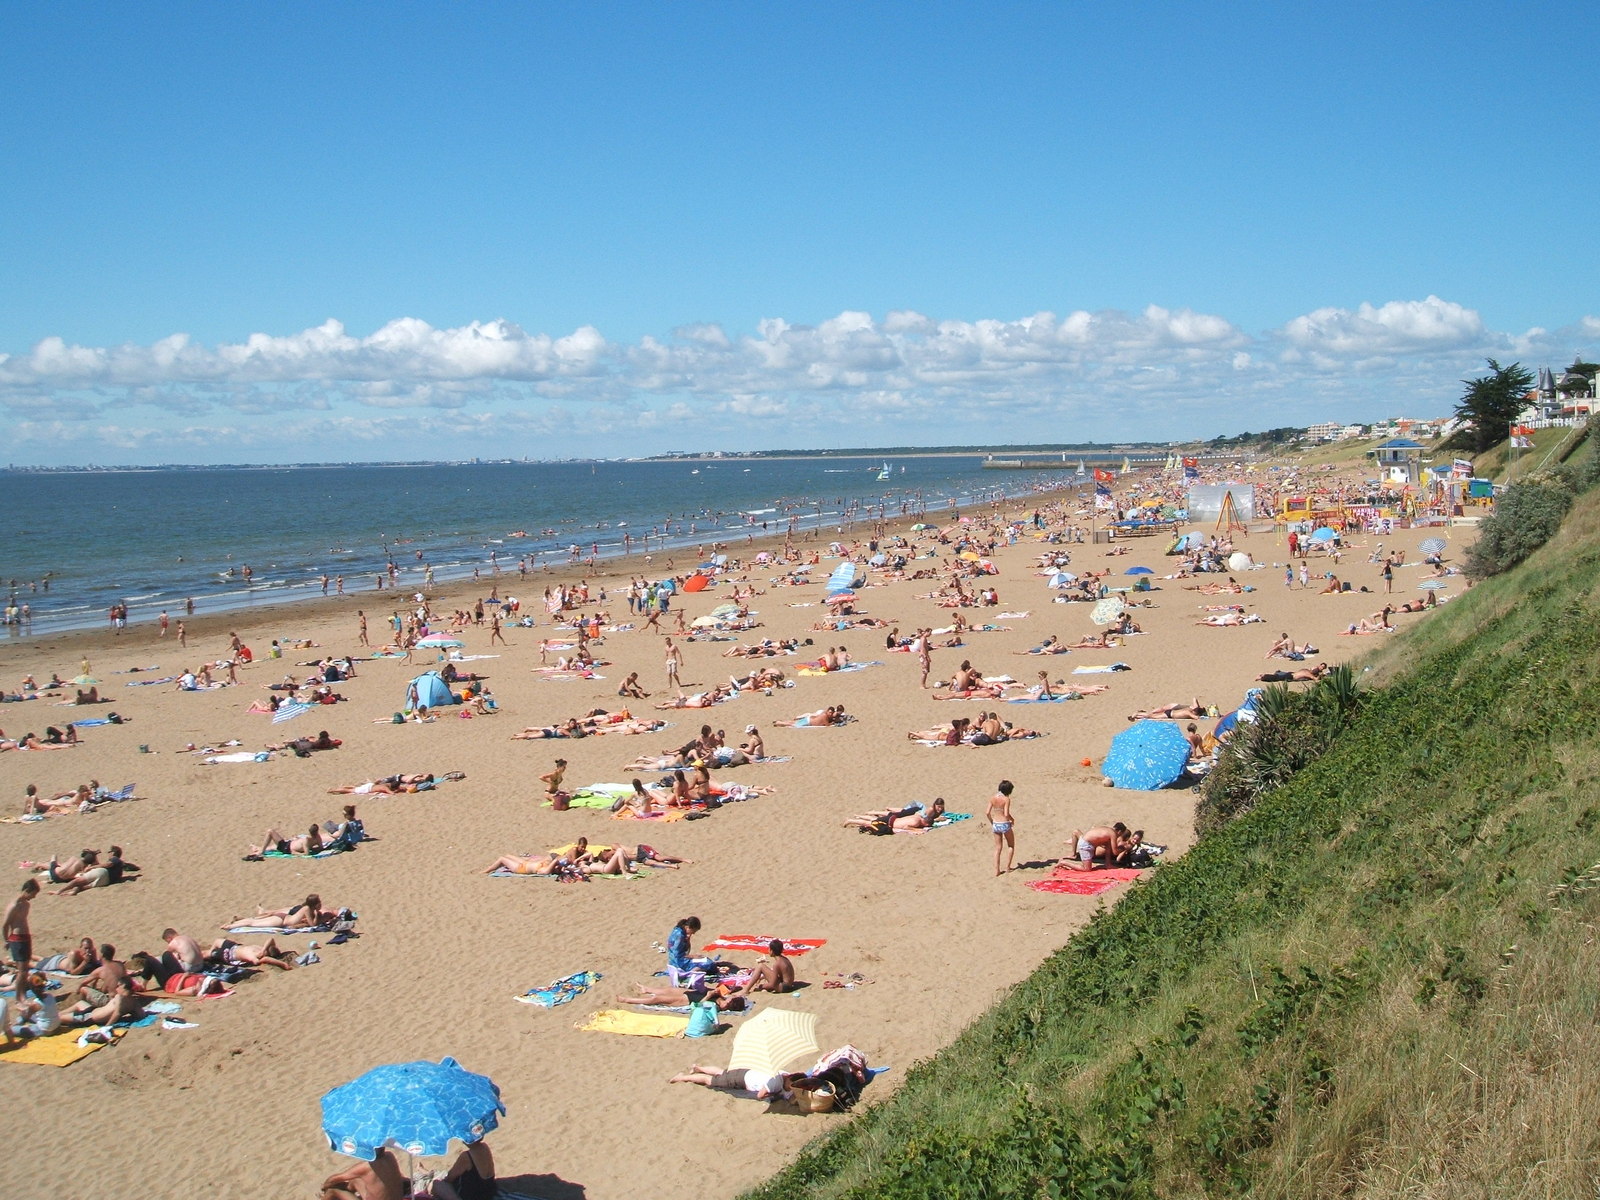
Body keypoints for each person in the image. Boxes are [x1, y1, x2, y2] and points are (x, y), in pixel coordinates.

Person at [318, 1147, 408, 1200]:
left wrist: (325, 1187)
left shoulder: (367, 1167)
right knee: (355, 1179)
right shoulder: (389, 1156)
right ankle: (347, 1191)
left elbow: (334, 1179)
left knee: (332, 1190)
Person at [668, 1063, 795, 1100]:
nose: (791, 1088)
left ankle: (698, 1068)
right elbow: (760, 1095)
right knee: (709, 1080)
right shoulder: (774, 1083)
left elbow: (788, 1094)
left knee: (722, 1072)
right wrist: (774, 1094)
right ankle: (681, 1077)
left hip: (746, 1071)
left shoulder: (783, 1073)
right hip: (740, 1080)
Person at [4, 880, 38, 1002]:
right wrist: (6, 940)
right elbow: (5, 925)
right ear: (27, 891)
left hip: (25, 937)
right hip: (16, 939)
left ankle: (22, 992)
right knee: (22, 971)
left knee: (25, 969)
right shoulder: (14, 905)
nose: (34, 897)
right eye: (33, 893)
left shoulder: (26, 904)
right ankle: (19, 996)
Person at [1060, 824, 1132, 871]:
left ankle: (1108, 864)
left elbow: (1108, 847)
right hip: (1085, 845)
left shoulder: (1107, 829)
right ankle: (1064, 863)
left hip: (1087, 842)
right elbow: (1115, 852)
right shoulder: (1113, 834)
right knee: (1087, 869)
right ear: (1119, 831)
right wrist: (1124, 848)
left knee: (1108, 844)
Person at [987, 781, 1015, 876]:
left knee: (998, 848)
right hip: (1004, 823)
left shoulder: (993, 798)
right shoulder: (1006, 799)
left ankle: (997, 871)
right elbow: (1006, 814)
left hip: (996, 823)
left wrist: (991, 821)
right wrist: (1011, 820)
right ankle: (1007, 867)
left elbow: (987, 812)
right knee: (1011, 845)